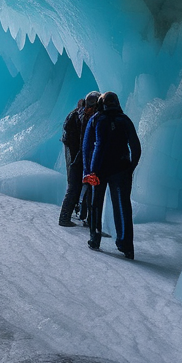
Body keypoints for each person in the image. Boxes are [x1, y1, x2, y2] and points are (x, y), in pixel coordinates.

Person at [82, 91, 141, 259]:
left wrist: (88, 172)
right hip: (121, 168)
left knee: (95, 205)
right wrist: (131, 167)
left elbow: (87, 148)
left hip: (98, 170)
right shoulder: (125, 120)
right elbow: (136, 147)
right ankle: (126, 245)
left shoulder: (96, 120)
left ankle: (95, 238)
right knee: (122, 206)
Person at [58, 92, 99, 227]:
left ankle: (79, 214)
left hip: (76, 151)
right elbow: (83, 140)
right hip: (75, 152)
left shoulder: (81, 114)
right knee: (74, 185)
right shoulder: (83, 117)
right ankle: (64, 218)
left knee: (79, 185)